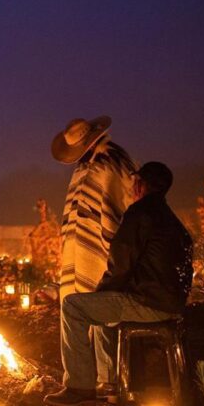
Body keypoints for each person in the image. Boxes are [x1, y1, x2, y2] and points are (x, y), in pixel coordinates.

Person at [44, 161, 194, 405]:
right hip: (170, 303)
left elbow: (120, 261)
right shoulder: (173, 221)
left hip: (148, 302)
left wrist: (101, 292)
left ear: (140, 184)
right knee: (102, 306)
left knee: (74, 306)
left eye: (136, 181)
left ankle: (79, 386)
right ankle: (110, 383)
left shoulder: (140, 213)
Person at [51, 116, 137, 385]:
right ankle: (96, 379)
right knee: (83, 309)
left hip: (106, 253)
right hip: (81, 252)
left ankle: (106, 380)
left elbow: (118, 208)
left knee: (102, 313)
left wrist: (111, 249)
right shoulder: (84, 166)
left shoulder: (111, 160)